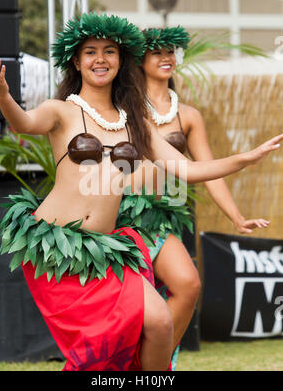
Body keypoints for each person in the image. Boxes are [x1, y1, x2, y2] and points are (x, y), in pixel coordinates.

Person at [0, 13, 282, 371]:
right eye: (90, 52)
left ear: (121, 60)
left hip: (106, 249)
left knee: (159, 322)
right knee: (102, 350)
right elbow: (23, 122)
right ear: (76, 62)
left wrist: (245, 158)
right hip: (60, 249)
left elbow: (187, 169)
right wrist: (2, 93)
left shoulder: (134, 120)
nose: (100, 59)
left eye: (109, 51)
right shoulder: (60, 111)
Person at [117, 26, 277, 370]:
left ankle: (151, 367)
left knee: (188, 285)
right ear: (140, 59)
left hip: (162, 216)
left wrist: (236, 216)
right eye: (157, 51)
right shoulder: (124, 107)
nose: (166, 57)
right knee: (133, 307)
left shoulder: (188, 115)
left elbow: (207, 170)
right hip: (120, 215)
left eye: (171, 51)